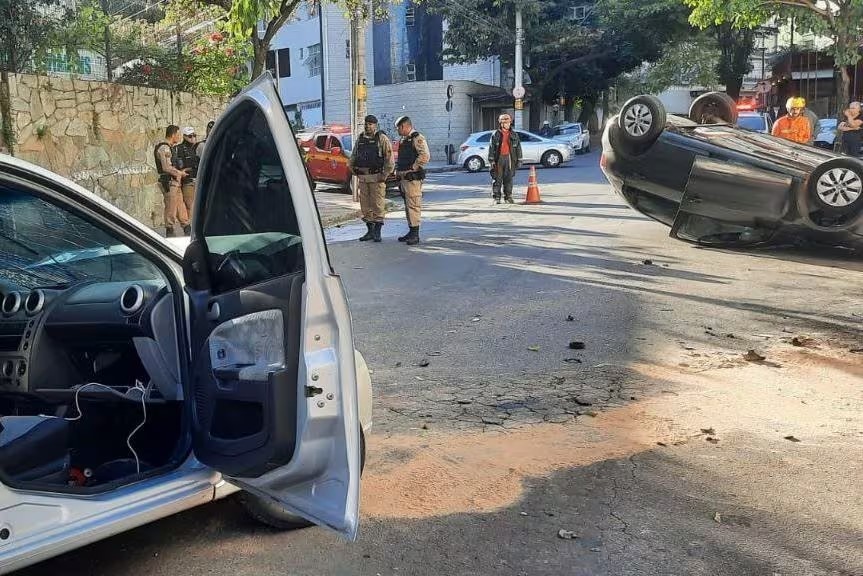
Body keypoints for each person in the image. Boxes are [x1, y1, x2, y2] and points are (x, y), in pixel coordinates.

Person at [348, 115, 394, 242]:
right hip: (363, 177)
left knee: (377, 204)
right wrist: (352, 168)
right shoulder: (361, 138)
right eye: (366, 124)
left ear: (375, 125)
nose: (368, 126)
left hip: (376, 178)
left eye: (370, 124)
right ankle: (370, 231)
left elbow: (389, 159)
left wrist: (384, 175)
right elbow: (354, 155)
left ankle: (377, 232)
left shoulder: (381, 138)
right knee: (365, 206)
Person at [394, 116, 431, 246]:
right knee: (408, 206)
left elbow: (425, 156)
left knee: (414, 205)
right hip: (404, 178)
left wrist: (413, 167)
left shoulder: (417, 138)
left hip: (412, 178)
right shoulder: (404, 139)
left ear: (404, 126)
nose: (397, 130)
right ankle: (411, 231)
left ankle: (415, 234)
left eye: (398, 128)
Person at [153, 125, 189, 237]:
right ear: (173, 134)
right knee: (171, 206)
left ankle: (187, 226)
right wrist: (180, 173)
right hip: (169, 182)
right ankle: (170, 229)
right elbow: (166, 167)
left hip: (174, 182)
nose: (179, 137)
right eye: (178, 134)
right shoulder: (164, 148)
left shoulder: (170, 147)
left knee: (180, 205)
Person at [488, 113, 523, 204]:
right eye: (506, 123)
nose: (508, 124)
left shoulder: (514, 134)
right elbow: (491, 148)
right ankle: (497, 198)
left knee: (508, 179)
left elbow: (518, 147)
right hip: (499, 159)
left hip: (510, 159)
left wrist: (519, 159)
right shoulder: (496, 134)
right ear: (501, 124)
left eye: (509, 122)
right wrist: (491, 160)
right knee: (497, 179)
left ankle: (508, 197)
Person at [174, 127, 199, 217]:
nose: (193, 137)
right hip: (188, 181)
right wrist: (186, 170)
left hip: (197, 180)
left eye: (194, 135)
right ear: (184, 137)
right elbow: (179, 166)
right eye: (190, 136)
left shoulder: (195, 147)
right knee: (189, 205)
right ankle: (190, 228)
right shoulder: (180, 149)